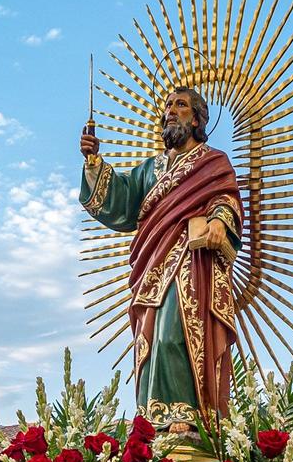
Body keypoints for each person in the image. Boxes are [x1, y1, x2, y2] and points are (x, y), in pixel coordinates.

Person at [77, 86, 243, 423]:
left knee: (173, 335)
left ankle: (188, 416)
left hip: (192, 265)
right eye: (167, 105)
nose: (170, 111)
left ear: (196, 119)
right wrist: (94, 163)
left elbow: (226, 199)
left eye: (180, 105)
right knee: (149, 340)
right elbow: (120, 201)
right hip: (150, 266)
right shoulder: (149, 169)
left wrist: (219, 220)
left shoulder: (213, 162)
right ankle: (153, 419)